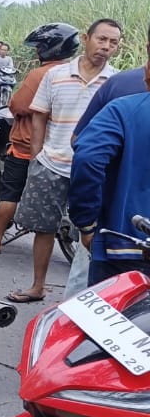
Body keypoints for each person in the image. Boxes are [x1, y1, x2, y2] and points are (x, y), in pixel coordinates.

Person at [7, 19, 123, 303]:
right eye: (102, 39)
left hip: (93, 169)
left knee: (91, 231)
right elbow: (39, 115)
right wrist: (37, 156)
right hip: (52, 163)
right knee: (44, 228)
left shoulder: (116, 81)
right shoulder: (56, 74)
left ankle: (82, 298)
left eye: (113, 43)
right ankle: (37, 286)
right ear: (86, 38)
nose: (106, 47)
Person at [0, 23, 81, 257]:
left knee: (10, 192)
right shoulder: (77, 73)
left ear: (49, 48)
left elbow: (18, 105)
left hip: (28, 146)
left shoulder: (41, 74)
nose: (36, 51)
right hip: (63, 147)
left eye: (40, 47)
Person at [72, 43, 150, 284]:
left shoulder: (124, 110)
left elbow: (87, 158)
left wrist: (86, 223)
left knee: (111, 320)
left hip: (126, 244)